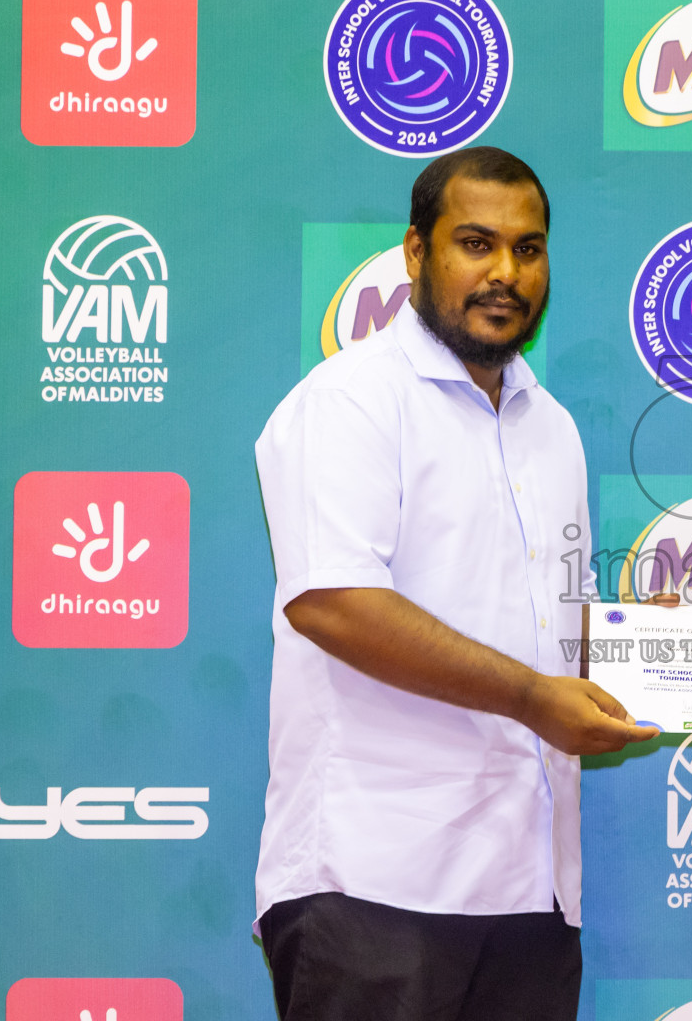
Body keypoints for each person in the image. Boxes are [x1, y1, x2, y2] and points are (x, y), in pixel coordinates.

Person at [252, 146, 657, 1021]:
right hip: (373, 883)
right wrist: (532, 697)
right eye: (476, 244)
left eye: (528, 248)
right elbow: (332, 601)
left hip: (533, 891)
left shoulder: (552, 428)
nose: (505, 272)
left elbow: (560, 634)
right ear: (415, 252)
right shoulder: (349, 400)